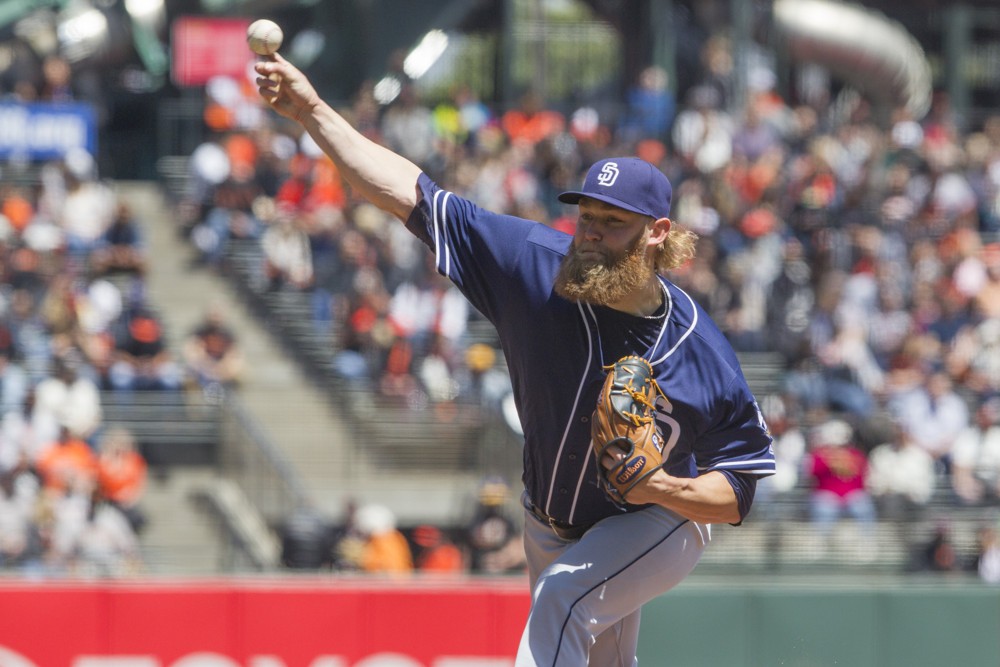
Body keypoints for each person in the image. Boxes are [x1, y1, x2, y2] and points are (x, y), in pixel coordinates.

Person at [255, 54, 775, 666]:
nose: (591, 233)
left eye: (612, 223)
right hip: (548, 519)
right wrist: (315, 112)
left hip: (656, 519)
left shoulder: (697, 347)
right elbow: (409, 193)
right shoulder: (530, 266)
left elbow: (738, 487)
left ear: (656, 233)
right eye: (586, 216)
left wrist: (664, 485)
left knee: (564, 599)